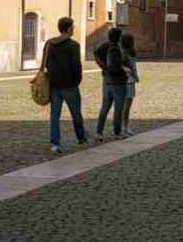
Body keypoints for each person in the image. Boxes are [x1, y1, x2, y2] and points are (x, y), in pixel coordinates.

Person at [44, 17, 88, 153]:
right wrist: (77, 81)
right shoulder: (73, 45)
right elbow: (77, 67)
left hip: (54, 85)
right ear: (68, 28)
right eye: (73, 27)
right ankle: (81, 138)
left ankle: (55, 143)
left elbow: (46, 63)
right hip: (70, 85)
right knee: (76, 114)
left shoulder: (50, 43)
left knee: (54, 115)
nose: (74, 29)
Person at [93, 27, 128, 141]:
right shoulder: (116, 49)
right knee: (118, 108)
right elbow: (115, 67)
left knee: (104, 107)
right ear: (119, 37)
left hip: (107, 81)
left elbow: (96, 53)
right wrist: (125, 71)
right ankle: (117, 133)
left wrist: (103, 67)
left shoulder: (106, 46)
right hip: (118, 82)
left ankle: (98, 132)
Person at [118, 32, 139, 137]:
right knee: (125, 108)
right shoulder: (122, 53)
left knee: (125, 107)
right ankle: (123, 128)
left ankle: (124, 127)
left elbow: (133, 67)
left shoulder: (131, 53)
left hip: (129, 81)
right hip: (127, 82)